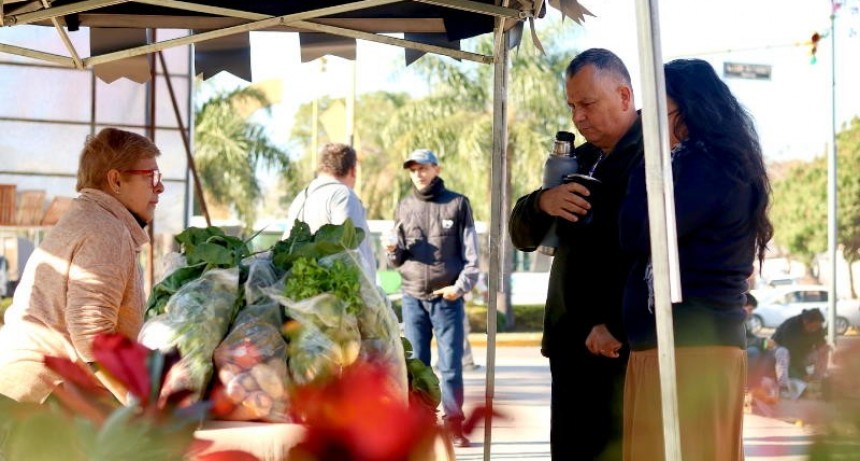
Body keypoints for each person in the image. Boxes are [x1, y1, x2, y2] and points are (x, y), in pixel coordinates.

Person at [618, 58, 773, 461]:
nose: (648, 123)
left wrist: (645, 164)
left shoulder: (705, 168)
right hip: (677, 347)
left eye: (656, 112)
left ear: (687, 111)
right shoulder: (702, 165)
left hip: (691, 349)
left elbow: (637, 231)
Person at [509, 48, 643, 460]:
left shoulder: (655, 157)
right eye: (572, 106)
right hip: (569, 345)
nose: (578, 117)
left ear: (623, 96)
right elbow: (520, 235)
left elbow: (659, 255)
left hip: (618, 349)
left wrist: (620, 324)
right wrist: (542, 203)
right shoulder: (573, 160)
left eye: (587, 103)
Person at [0, 127, 165, 404]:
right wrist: (137, 402)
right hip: (47, 398)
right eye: (151, 176)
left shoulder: (87, 219)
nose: (160, 187)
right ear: (116, 180)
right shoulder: (106, 230)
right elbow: (92, 334)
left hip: (24, 389)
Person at [384, 148, 480, 447]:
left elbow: (472, 256)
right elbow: (397, 260)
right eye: (413, 169)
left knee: (451, 365)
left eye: (424, 168)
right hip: (413, 297)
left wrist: (460, 287)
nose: (418, 174)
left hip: (447, 297)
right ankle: (421, 426)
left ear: (436, 169)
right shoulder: (404, 206)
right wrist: (391, 251)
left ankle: (453, 425)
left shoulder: (457, 204)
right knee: (418, 365)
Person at [283, 142, 376, 281]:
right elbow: (352, 254)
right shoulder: (343, 195)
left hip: (302, 292)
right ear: (353, 170)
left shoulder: (301, 198)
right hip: (338, 297)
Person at [770, 308, 829, 397]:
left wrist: (822, 348)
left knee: (824, 349)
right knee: (783, 352)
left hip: (802, 355)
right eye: (813, 327)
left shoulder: (817, 328)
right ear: (805, 322)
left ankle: (817, 380)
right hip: (784, 355)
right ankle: (783, 386)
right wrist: (803, 373)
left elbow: (821, 343)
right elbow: (793, 353)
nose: (815, 329)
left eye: (818, 327)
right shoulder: (791, 327)